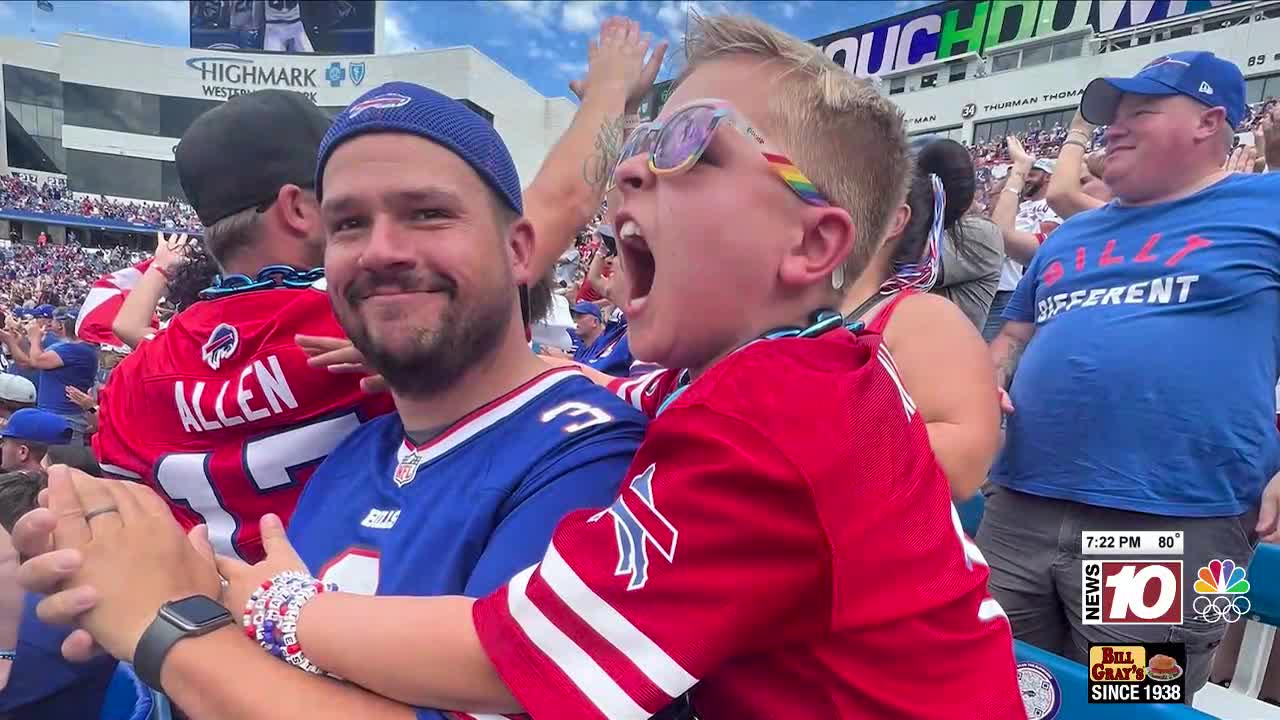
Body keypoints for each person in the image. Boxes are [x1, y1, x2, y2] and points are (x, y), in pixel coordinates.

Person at [18, 14, 1022, 720]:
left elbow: (512, 653)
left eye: (685, 144)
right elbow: (609, 384)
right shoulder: (703, 384)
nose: (631, 165)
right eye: (347, 224)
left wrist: (245, 607)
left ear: (813, 249)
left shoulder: (812, 390)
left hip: (1123, 528)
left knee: (1140, 672)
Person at [983, 50, 1280, 699]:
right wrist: (984, 383)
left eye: (1139, 112)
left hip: (1172, 520)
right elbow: (1011, 335)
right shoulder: (1071, 234)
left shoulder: (1267, 203)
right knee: (1000, 691)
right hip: (1019, 508)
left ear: (1208, 122)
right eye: (1108, 118)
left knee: (1133, 701)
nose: (1111, 129)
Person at [984, 146, 1061, 341]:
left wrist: (1008, 245)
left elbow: (1045, 243)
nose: (1027, 179)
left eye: (1033, 174)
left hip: (1015, 286)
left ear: (1048, 177)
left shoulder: (1051, 205)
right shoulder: (1021, 206)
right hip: (993, 281)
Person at [0, 308, 97, 443]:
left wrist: (34, 338)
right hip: (56, 415)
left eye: (54, 320)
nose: (50, 324)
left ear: (61, 325)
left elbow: (35, 360)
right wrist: (16, 341)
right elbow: (29, 362)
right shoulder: (70, 347)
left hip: (65, 417)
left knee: (59, 460)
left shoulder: (76, 349)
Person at [0, 409, 70, 473]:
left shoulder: (14, 485)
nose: (1, 446)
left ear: (23, 452)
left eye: (4, 442)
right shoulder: (71, 482)